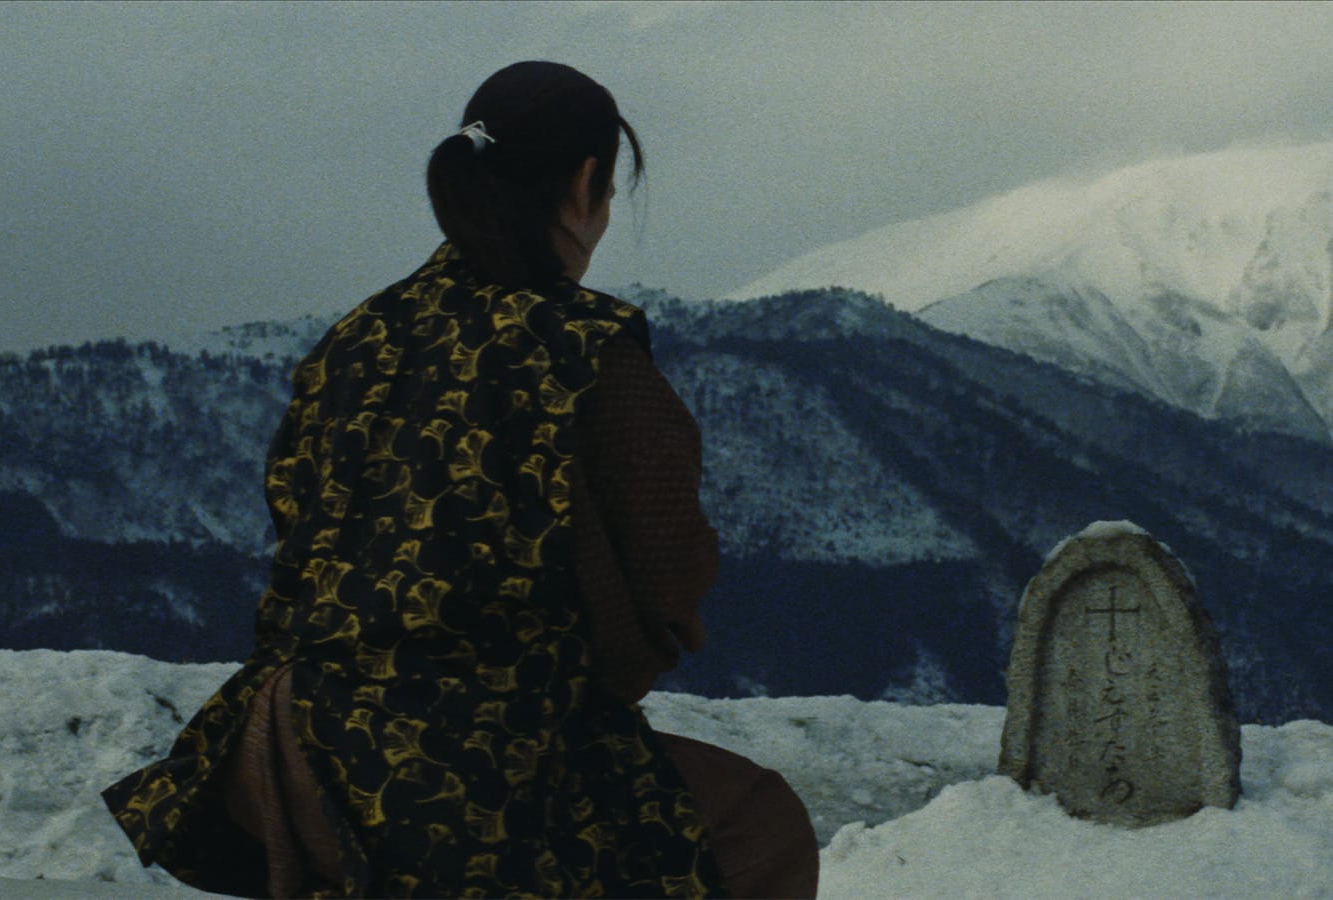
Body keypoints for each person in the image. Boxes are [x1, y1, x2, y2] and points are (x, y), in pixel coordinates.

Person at [103, 61, 818, 899]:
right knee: (754, 826)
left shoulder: (358, 338)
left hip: (278, 742)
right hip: (446, 773)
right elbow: (667, 571)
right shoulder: (581, 351)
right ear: (585, 185)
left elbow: (298, 523)